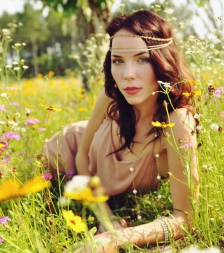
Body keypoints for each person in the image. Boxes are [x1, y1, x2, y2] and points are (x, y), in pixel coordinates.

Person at [43, 10, 198, 252]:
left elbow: (185, 219)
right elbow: (82, 156)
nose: (128, 75)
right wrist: (105, 215)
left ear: (163, 60)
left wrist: (119, 237)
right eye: (118, 61)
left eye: (142, 59)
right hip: (68, 150)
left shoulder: (177, 122)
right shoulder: (110, 96)